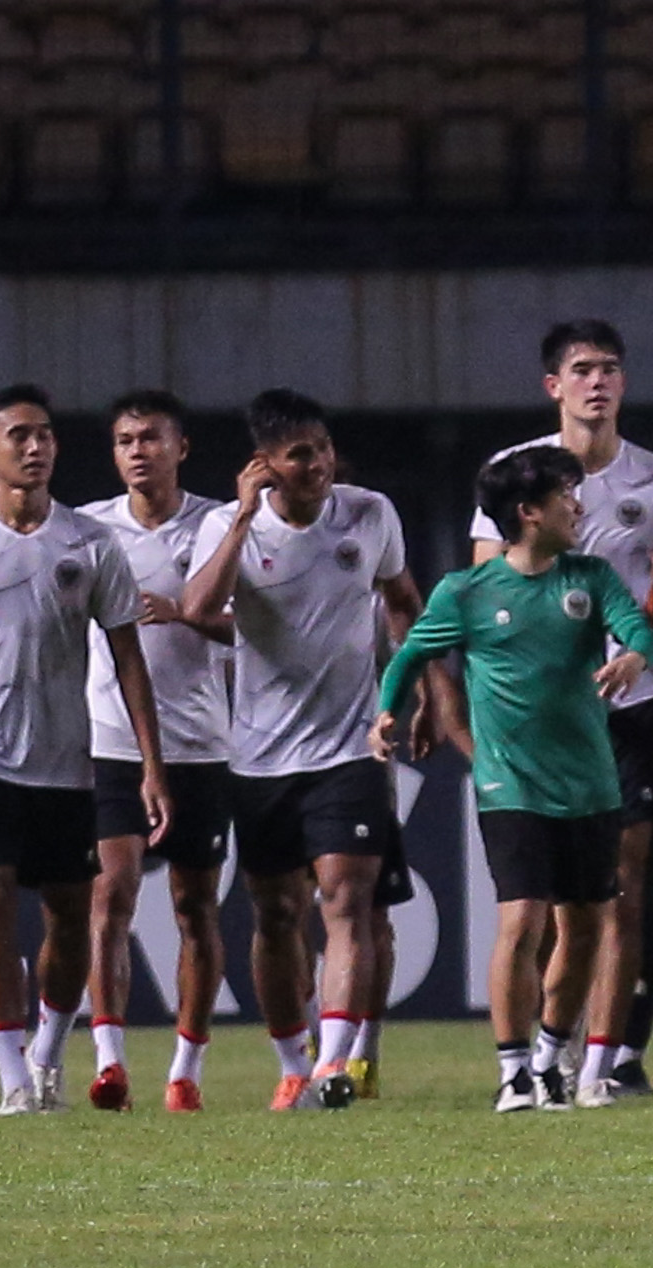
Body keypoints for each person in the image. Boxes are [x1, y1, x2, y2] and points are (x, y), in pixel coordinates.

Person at [380, 447, 653, 1111]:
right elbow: (414, 651)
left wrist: (634, 659)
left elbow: (638, 627)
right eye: (567, 495)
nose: (579, 506)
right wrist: (389, 710)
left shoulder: (590, 577)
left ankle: (550, 1055)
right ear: (530, 512)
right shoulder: (467, 592)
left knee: (584, 926)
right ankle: (511, 1072)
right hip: (510, 784)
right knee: (523, 919)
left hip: (590, 782)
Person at [473, 321, 653, 1098]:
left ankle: (609, 1056)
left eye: (609, 368)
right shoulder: (516, 474)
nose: (597, 382)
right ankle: (542, 1052)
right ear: (553, 387)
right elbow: (483, 590)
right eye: (581, 370)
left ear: (623, 383)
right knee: (538, 908)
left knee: (622, 887)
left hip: (629, 709)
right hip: (542, 721)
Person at [0, 383, 173, 1117]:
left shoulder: (90, 543)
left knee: (72, 914)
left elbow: (127, 654)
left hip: (66, 754)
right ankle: (11, 1077)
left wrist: (151, 764)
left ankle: (48, 1052)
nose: (35, 447)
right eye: (19, 436)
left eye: (44, 434)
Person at [186, 389, 423, 1112]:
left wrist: (402, 695)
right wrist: (240, 521)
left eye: (321, 448)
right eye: (298, 454)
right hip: (259, 755)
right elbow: (197, 610)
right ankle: (292, 1059)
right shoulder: (231, 527)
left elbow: (405, 599)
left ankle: (336, 1064)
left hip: (351, 745)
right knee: (276, 913)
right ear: (266, 465)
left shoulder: (368, 513)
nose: (317, 464)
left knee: (346, 900)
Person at [77, 389, 236, 1113]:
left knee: (195, 907)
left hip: (199, 743)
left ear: (182, 446)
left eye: (151, 437)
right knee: (110, 891)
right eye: (125, 440)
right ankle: (108, 1059)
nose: (138, 450)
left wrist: (189, 614)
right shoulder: (89, 530)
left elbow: (250, 629)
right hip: (110, 740)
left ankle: (186, 1069)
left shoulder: (218, 523)